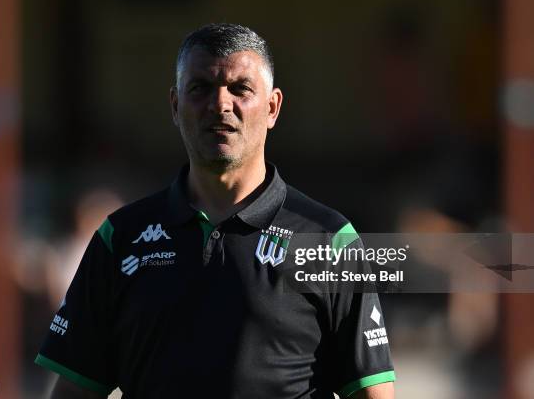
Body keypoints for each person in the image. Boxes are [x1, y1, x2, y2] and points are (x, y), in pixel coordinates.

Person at [35, 23, 396, 398]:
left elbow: (373, 393)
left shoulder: (328, 239)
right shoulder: (121, 238)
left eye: (240, 88)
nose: (220, 104)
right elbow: (73, 391)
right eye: (201, 88)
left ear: (272, 108)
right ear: (175, 106)